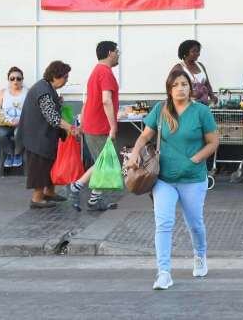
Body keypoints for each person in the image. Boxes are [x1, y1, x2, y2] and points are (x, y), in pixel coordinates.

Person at [125, 69, 219, 290]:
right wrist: (135, 153)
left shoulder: (201, 112)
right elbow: (144, 136)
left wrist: (194, 160)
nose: (181, 88)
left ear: (190, 88)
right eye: (176, 84)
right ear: (169, 88)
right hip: (164, 179)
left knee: (194, 224)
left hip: (193, 179)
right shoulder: (160, 109)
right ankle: (164, 272)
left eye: (184, 84)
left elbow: (213, 142)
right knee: (164, 223)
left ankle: (200, 255)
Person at [18, 61, 79, 209]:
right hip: (36, 137)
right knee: (40, 167)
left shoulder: (46, 87)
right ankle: (37, 199)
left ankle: (49, 192)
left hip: (42, 136)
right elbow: (52, 117)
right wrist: (70, 128)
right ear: (54, 76)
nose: (66, 80)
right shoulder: (43, 91)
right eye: (65, 77)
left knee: (48, 165)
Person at [69, 41, 121, 211]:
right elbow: (106, 100)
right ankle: (76, 188)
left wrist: (82, 124)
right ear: (109, 53)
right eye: (116, 51)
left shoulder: (96, 71)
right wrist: (113, 126)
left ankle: (93, 199)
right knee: (104, 163)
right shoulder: (105, 73)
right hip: (100, 126)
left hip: (92, 124)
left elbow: (88, 101)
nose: (118, 54)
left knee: (103, 162)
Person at [0, 66, 28, 168]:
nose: (15, 81)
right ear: (8, 80)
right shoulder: (3, 93)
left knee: (18, 132)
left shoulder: (28, 92)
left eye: (18, 78)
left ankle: (17, 153)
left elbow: (32, 110)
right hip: (5, 124)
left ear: (22, 80)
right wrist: (6, 121)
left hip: (22, 125)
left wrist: (20, 122)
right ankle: (9, 153)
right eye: (12, 78)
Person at [172, 39, 218, 106]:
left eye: (198, 51)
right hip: (186, 106)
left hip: (203, 104)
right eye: (194, 51)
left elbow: (207, 84)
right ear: (185, 52)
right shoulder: (179, 68)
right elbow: (171, 87)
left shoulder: (200, 66)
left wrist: (212, 97)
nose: (198, 54)